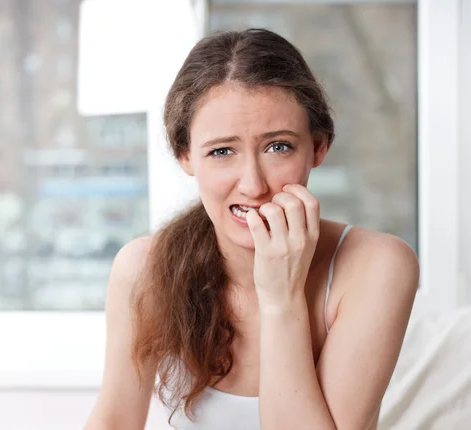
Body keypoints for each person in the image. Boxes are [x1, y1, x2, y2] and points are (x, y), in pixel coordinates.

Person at [84, 28, 419, 430]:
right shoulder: (143, 269)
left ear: (318, 147)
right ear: (185, 156)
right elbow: (114, 422)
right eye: (222, 151)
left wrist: (282, 297)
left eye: (278, 146)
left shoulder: (378, 266)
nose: (253, 185)